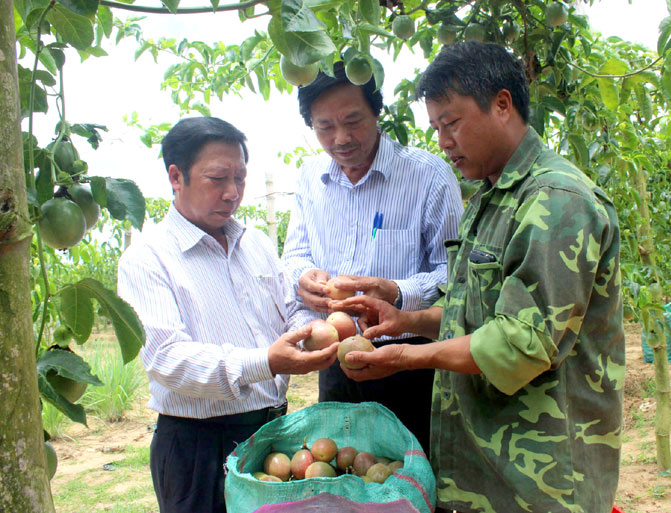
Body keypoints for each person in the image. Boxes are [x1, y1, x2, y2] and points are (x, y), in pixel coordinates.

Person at [333, 42, 625, 513]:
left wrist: (405, 356)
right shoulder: (490, 199)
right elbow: (472, 311)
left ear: (502, 105)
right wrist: (405, 317)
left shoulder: (556, 200)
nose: (444, 141)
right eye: (436, 128)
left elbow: (522, 341)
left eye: (452, 123)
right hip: (484, 468)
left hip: (540, 481)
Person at [117, 117, 338, 513]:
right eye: (217, 178)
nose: (232, 192)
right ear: (176, 176)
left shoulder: (254, 243)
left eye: (240, 178)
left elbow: (287, 307)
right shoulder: (147, 259)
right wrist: (267, 361)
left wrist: (311, 327)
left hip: (271, 433)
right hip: (198, 445)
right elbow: (166, 359)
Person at [281, 60, 464, 453]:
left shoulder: (428, 177)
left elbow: (455, 275)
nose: (341, 138)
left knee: (410, 477)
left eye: (353, 121)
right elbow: (295, 252)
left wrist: (396, 291)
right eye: (324, 127)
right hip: (334, 357)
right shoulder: (311, 177)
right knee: (339, 474)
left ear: (377, 112)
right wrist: (303, 278)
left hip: (408, 362)